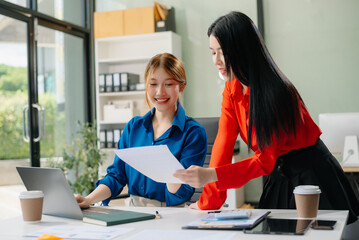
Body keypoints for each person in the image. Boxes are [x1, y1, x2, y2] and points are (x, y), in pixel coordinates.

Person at [174, 11, 359, 224]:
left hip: (311, 176)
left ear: (242, 50)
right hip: (278, 174)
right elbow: (222, 145)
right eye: (212, 52)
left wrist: (211, 175)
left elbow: (264, 160)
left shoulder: (277, 92)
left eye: (222, 52)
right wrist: (209, 201)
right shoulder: (232, 89)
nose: (216, 61)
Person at [76, 53, 207, 208]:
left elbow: (183, 193)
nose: (160, 92)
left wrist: (168, 170)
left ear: (181, 86)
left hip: (171, 213)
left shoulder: (193, 133)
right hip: (134, 210)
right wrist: (88, 200)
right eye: (153, 84)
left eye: (169, 84)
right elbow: (116, 176)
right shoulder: (133, 128)